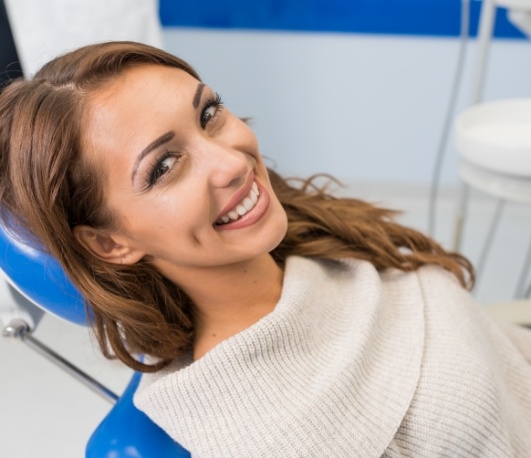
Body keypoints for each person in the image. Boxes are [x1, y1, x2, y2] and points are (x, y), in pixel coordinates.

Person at [0, 41, 530, 457]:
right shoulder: (267, 435)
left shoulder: (314, 235)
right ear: (110, 241)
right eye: (164, 166)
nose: (232, 161)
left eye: (209, 114)